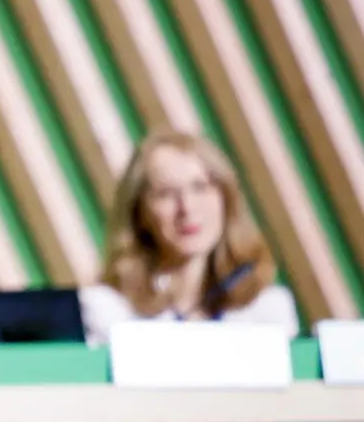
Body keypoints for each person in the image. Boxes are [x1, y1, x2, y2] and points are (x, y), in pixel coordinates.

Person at [79, 130, 299, 346]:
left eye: (200, 188)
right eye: (165, 194)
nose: (187, 208)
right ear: (140, 213)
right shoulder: (107, 310)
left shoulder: (267, 309)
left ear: (226, 200)